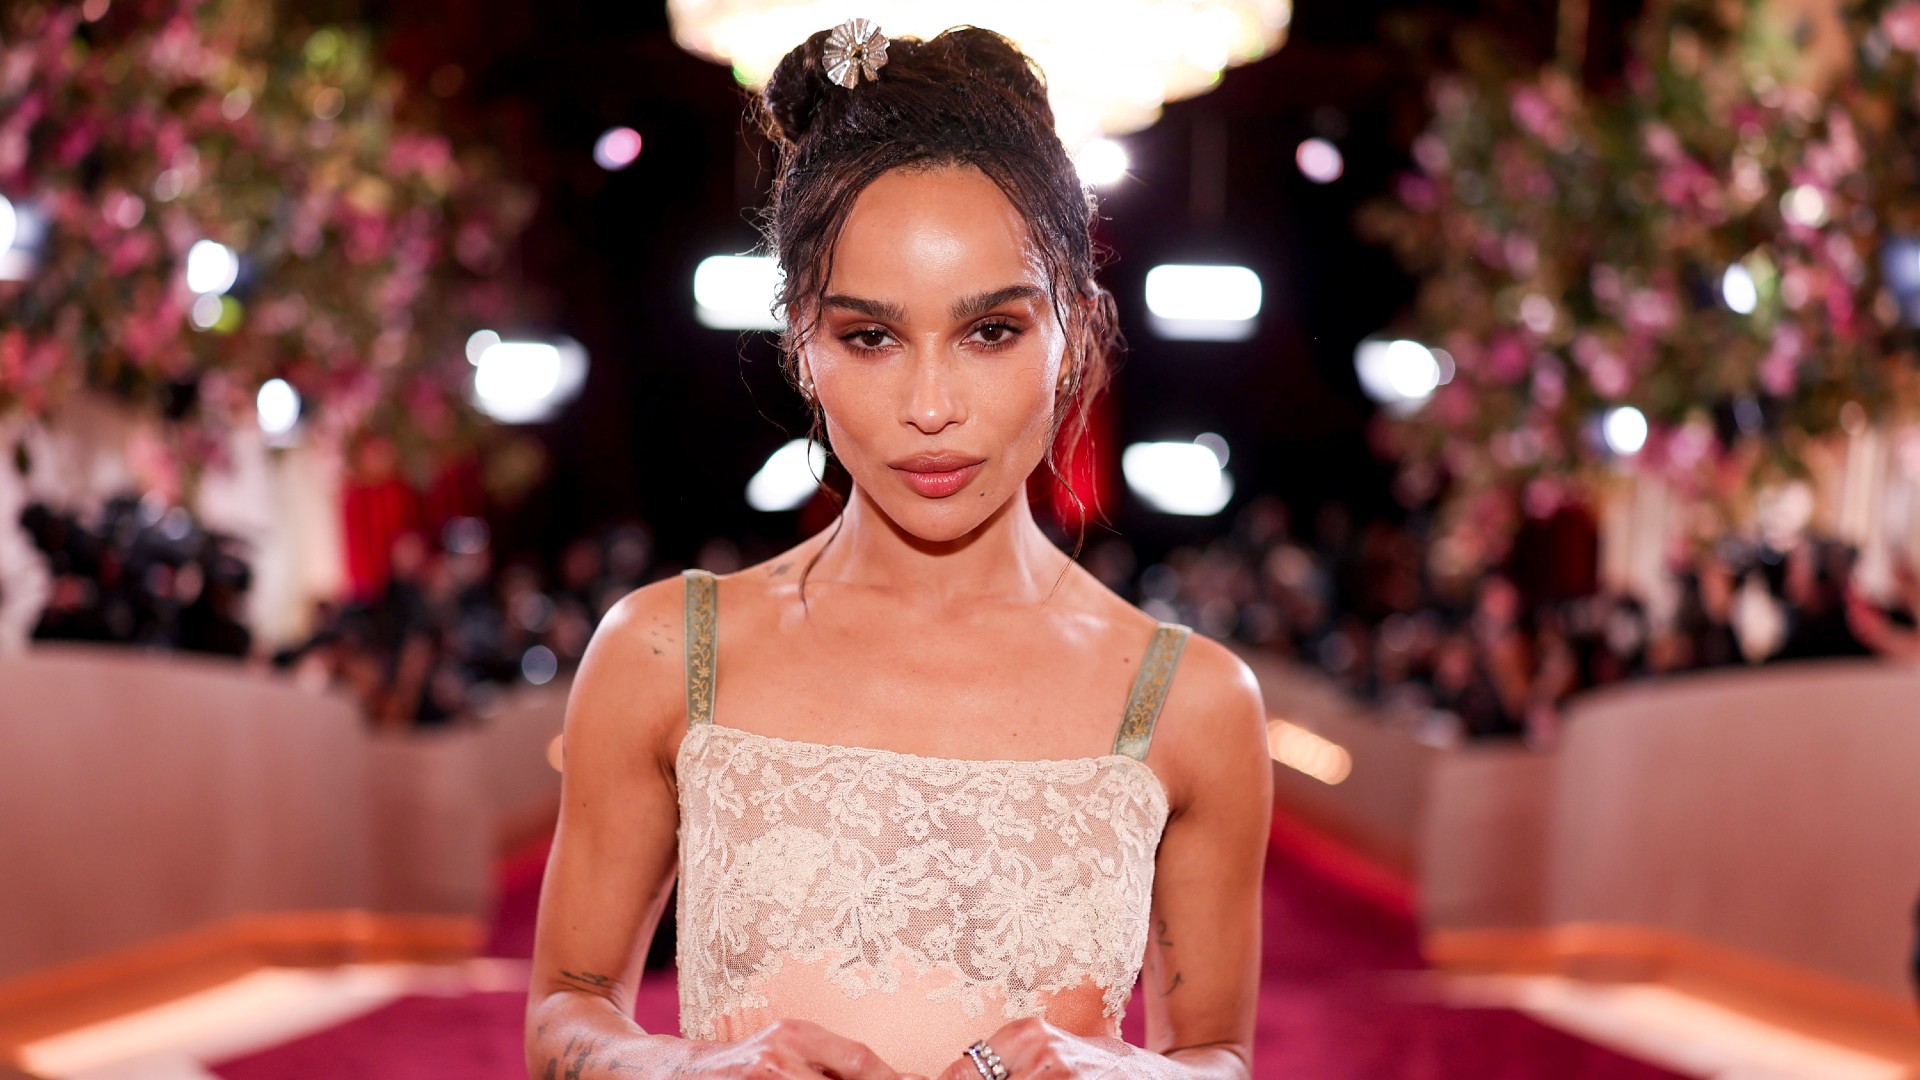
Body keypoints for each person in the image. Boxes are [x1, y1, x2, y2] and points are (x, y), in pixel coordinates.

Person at [524, 20, 1270, 1080]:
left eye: (991, 332)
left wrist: (1126, 1071)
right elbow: (568, 1004)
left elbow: (1218, 1056)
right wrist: (679, 1071)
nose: (931, 407)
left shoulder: (1191, 698)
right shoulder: (665, 649)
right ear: (801, 346)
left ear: (1075, 334)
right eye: (869, 336)